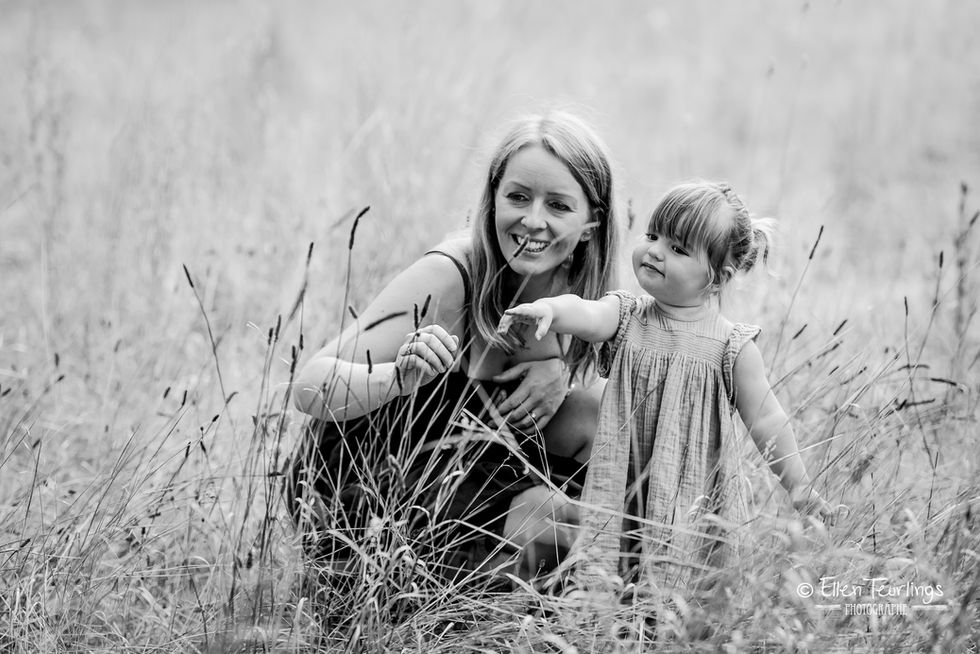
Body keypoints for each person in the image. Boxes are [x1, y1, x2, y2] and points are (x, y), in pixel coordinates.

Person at [288, 110, 621, 582]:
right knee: (552, 520)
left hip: (476, 458)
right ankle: (471, 599)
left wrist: (556, 368)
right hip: (372, 476)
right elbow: (308, 386)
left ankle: (600, 595)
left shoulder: (576, 295)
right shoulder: (451, 274)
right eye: (519, 197)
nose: (533, 220)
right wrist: (396, 379)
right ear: (492, 200)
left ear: (590, 225)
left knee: (605, 414)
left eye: (559, 206)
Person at [497, 180, 834, 591]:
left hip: (688, 491)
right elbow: (586, 313)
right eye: (653, 235)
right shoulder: (628, 316)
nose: (655, 250)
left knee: (681, 585)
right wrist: (550, 308)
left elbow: (768, 420)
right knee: (610, 568)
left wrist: (799, 487)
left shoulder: (732, 348)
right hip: (619, 480)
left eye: (677, 249)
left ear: (717, 277)